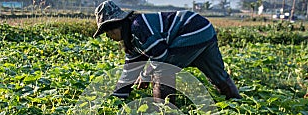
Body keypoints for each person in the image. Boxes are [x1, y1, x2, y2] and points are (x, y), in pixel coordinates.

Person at [93, 0, 241, 104]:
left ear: (116, 26)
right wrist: (117, 98)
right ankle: (236, 103)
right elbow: (129, 72)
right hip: (205, 30)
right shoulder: (132, 42)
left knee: (162, 72)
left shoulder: (139, 27)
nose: (109, 37)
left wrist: (145, 75)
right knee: (216, 73)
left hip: (191, 30)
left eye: (108, 33)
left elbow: (161, 57)